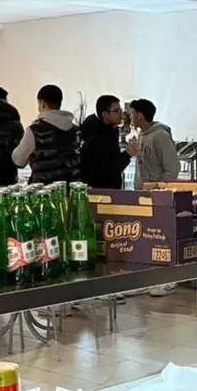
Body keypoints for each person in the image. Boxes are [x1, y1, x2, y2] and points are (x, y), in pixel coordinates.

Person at [128, 98, 181, 296]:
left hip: (159, 197)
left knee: (163, 238)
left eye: (132, 113)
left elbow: (173, 167)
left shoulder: (160, 136)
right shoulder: (141, 136)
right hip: (142, 195)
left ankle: (170, 279)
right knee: (146, 239)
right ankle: (146, 279)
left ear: (140, 115)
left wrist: (160, 189)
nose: (130, 117)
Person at [12, 84, 80, 184]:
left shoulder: (34, 130)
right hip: (71, 187)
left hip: (44, 188)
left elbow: (18, 160)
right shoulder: (75, 130)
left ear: (43, 103)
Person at [80, 95, 132, 189]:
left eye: (120, 110)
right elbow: (108, 170)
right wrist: (127, 154)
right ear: (105, 114)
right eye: (116, 111)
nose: (121, 114)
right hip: (101, 191)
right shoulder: (97, 138)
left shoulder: (111, 131)